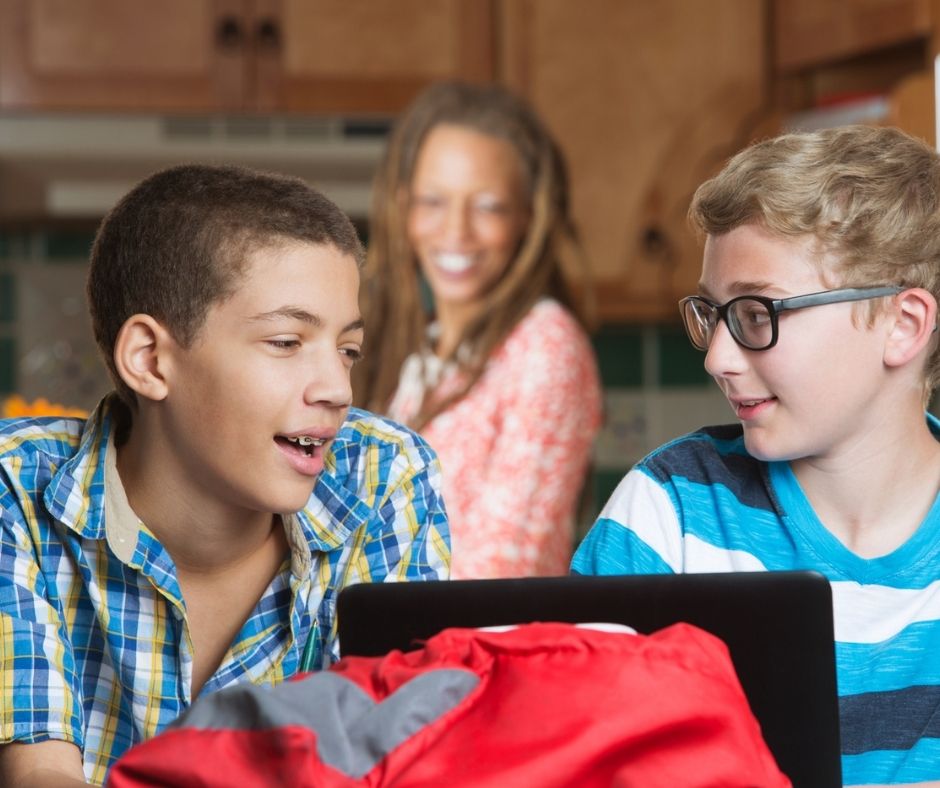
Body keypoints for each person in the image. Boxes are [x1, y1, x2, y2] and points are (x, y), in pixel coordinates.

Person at [0, 164, 450, 787]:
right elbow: (38, 773)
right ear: (151, 360)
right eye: (288, 342)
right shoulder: (16, 490)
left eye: (347, 350)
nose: (339, 389)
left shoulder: (383, 476)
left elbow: (400, 764)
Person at [572, 124, 940, 787]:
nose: (716, 356)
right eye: (712, 315)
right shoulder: (668, 514)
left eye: (756, 313)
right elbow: (572, 754)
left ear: (903, 324)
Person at [355, 81, 603, 579]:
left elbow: (502, 571)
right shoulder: (419, 358)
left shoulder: (544, 345)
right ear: (403, 206)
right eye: (432, 201)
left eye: (487, 206)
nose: (456, 232)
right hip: (394, 653)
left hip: (471, 655)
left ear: (528, 217)